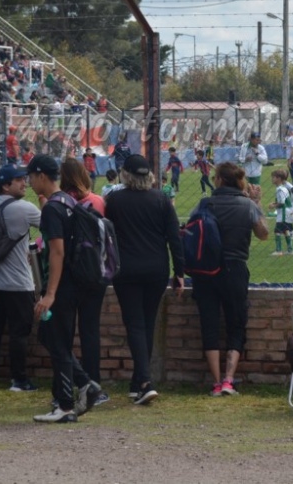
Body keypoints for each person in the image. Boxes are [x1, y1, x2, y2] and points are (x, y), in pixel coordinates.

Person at [106, 154, 185, 404]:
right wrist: (180, 273)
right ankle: (139, 379)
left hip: (126, 269)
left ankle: (143, 381)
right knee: (147, 323)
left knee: (135, 325)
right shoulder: (161, 200)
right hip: (156, 269)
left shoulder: (115, 200)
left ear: (125, 175)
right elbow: (174, 238)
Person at [29, 154, 101, 423]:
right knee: (52, 337)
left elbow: (57, 251)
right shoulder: (69, 202)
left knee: (57, 341)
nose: (30, 182)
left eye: (31, 177)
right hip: (74, 281)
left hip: (60, 284)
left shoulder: (52, 209)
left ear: (41, 176)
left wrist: (50, 293)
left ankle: (65, 404)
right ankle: (84, 384)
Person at [190, 162, 269, 397]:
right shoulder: (246, 205)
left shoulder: (205, 203)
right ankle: (228, 379)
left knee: (209, 324)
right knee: (236, 323)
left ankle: (215, 381)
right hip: (235, 268)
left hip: (206, 271)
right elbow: (263, 233)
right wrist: (257, 203)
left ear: (220, 180)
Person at [0, 164, 41, 393]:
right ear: (6, 185)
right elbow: (52, 227)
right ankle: (19, 380)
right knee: (19, 332)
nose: (24, 183)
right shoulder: (25, 208)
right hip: (18, 282)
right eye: (19, 180)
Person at [59, 157, 107, 402]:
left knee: (64, 333)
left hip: (68, 273)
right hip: (93, 272)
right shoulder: (97, 201)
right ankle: (94, 385)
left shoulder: (60, 202)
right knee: (90, 331)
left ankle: (66, 387)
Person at [269, 169, 293, 256]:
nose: (272, 179)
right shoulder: (283, 188)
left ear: (279, 178)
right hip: (288, 212)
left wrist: (273, 205)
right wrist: (275, 203)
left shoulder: (280, 189)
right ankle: (290, 250)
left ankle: (279, 250)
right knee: (285, 230)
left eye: (273, 177)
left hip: (283, 213)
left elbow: (282, 203)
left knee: (277, 230)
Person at [238, 131, 268, 204]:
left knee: (255, 194)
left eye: (259, 140)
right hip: (246, 173)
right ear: (251, 139)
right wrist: (245, 159)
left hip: (256, 174)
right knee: (245, 192)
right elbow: (240, 159)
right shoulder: (244, 146)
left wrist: (257, 154)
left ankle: (256, 208)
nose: (258, 141)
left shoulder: (261, 148)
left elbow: (265, 161)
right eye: (256, 140)